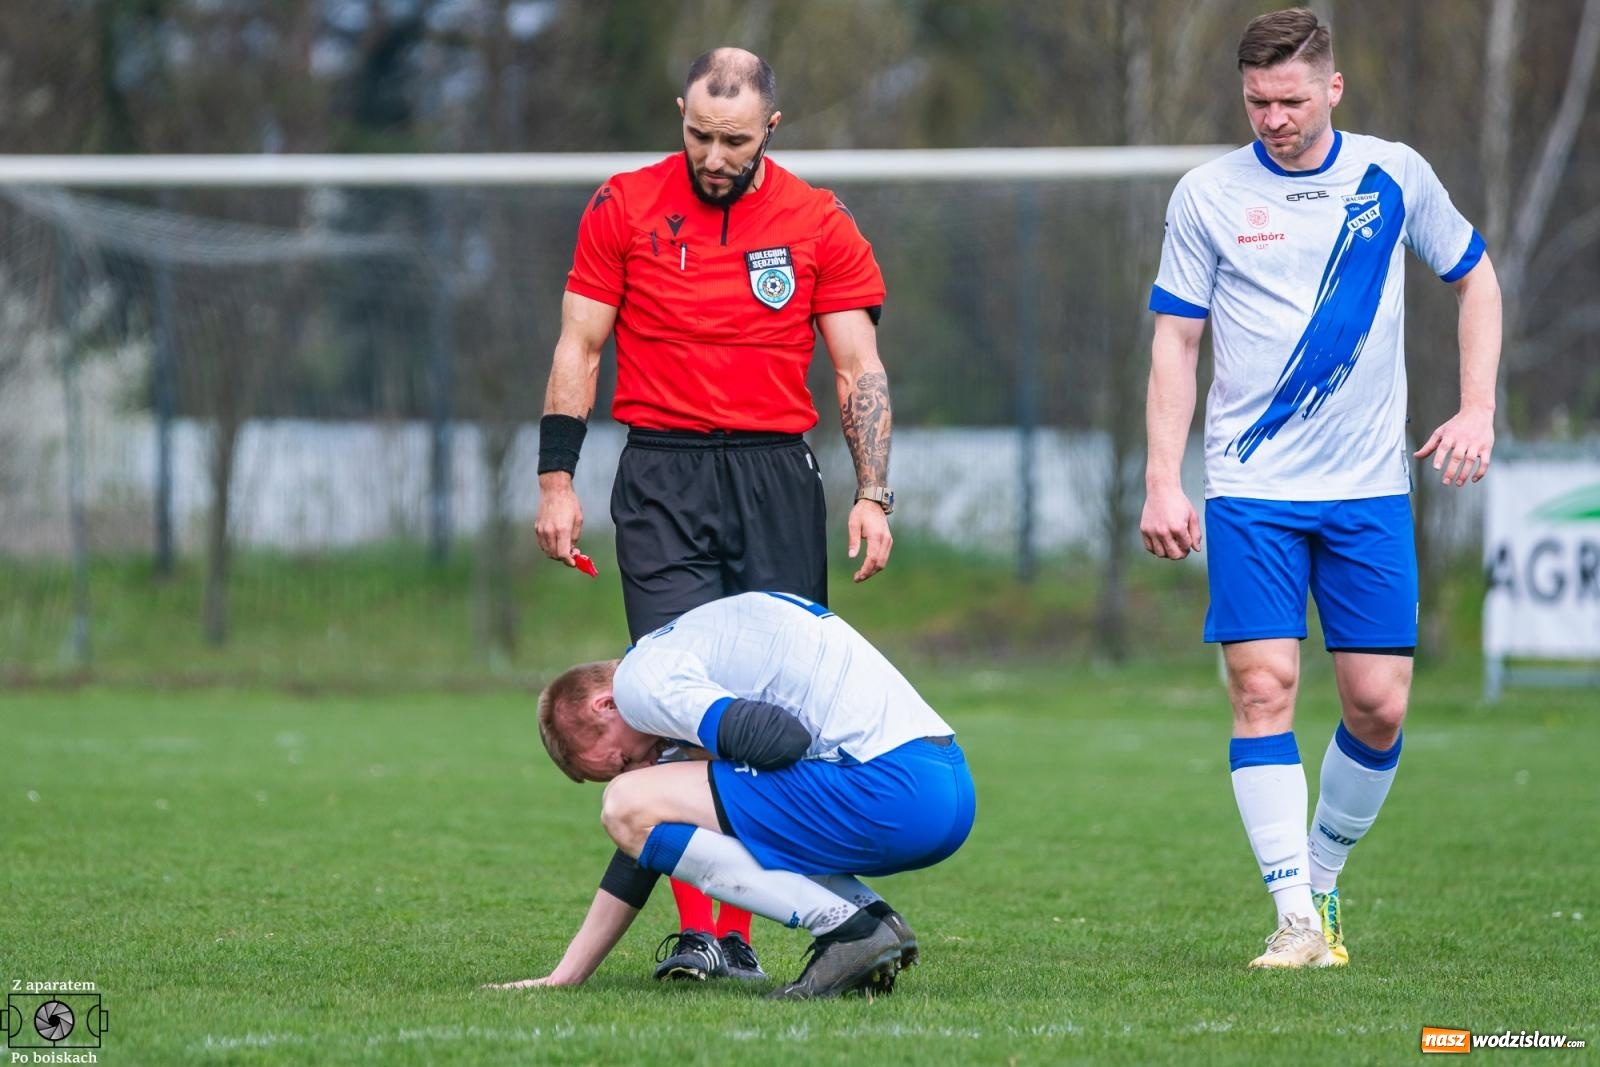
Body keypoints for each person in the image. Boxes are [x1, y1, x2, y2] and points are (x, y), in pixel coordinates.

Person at [1140, 8, 1501, 969]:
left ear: (1332, 88)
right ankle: (1295, 917)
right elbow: (1176, 340)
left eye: (1292, 100)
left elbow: (1476, 279)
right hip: (1251, 487)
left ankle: (1322, 874)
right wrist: (1163, 479)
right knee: (1263, 685)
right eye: (1257, 101)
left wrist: (1477, 408)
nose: (1274, 119)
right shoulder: (1207, 194)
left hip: (1369, 490)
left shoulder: (1394, 175)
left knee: (1378, 704)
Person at [533, 47, 897, 983]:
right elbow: (579, 344)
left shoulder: (818, 220)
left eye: (734, 140)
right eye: (699, 134)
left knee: (775, 713)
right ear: (680, 115)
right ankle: (707, 937)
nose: (713, 155)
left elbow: (857, 367)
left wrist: (872, 492)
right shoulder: (622, 205)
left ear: (769, 128)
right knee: (678, 700)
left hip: (776, 474)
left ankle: (770, 923)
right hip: (661, 476)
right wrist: (556, 479)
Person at [484, 591, 976, 1000]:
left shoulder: (640, 684)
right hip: (940, 783)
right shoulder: (678, 647)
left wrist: (695, 759)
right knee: (659, 803)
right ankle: (874, 919)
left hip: (890, 788)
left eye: (621, 760)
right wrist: (566, 976)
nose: (640, 768)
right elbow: (647, 845)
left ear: (605, 704)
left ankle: (847, 928)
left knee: (624, 802)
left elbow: (781, 740)